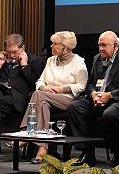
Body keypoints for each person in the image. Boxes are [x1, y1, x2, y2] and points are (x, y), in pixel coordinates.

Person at [67, 31, 119, 167]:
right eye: (99, 45)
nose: (101, 48)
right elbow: (89, 83)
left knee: (110, 114)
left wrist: (110, 95)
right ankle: (87, 152)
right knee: (74, 107)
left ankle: (118, 153)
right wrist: (93, 94)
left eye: (104, 45)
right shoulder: (97, 59)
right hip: (97, 97)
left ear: (116, 46)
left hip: (118, 100)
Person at [20, 31, 88, 164]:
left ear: (65, 47)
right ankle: (42, 149)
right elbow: (39, 81)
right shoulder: (51, 61)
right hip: (46, 98)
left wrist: (63, 89)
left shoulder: (78, 62)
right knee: (41, 98)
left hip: (68, 99)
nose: (51, 46)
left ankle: (26, 133)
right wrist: (44, 87)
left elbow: (82, 85)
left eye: (55, 44)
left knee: (38, 96)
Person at [0, 33, 45, 133]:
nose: (12, 55)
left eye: (15, 52)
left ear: (23, 48)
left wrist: (25, 66)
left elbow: (35, 84)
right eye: (9, 52)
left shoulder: (35, 61)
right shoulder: (1, 59)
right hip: (0, 95)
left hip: (18, 99)